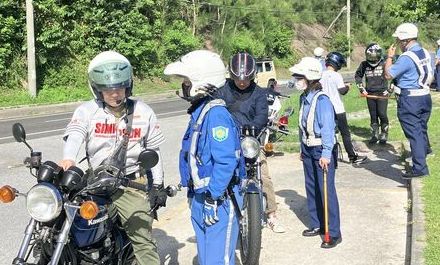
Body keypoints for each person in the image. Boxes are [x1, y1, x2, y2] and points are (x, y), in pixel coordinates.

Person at [59, 51, 166, 264]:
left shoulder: (143, 112)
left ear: (128, 86)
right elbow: (76, 134)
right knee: (72, 227)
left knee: (142, 239)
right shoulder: (87, 111)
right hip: (96, 182)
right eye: (108, 90)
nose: (115, 94)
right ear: (97, 89)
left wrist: (158, 186)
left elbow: (154, 152)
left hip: (130, 183)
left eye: (120, 88)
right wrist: (68, 159)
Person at [164, 50, 244, 265]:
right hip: (202, 196)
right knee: (207, 259)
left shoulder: (216, 115)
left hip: (219, 200)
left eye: (187, 81)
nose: (185, 85)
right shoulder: (201, 111)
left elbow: (226, 160)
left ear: (202, 81)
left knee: (219, 260)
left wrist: (214, 196)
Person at [215, 51, 285, 233]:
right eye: (238, 78)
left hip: (250, 141)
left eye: (245, 78)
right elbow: (215, 108)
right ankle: (217, 208)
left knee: (264, 176)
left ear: (252, 75)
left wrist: (252, 127)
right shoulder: (223, 90)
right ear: (232, 74)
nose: (242, 82)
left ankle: (272, 214)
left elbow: (262, 114)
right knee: (218, 172)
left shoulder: (259, 93)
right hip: (227, 141)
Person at [290, 57, 341, 248]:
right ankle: (317, 223)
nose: (296, 79)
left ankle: (333, 232)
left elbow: (327, 129)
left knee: (325, 190)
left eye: (299, 76)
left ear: (310, 78)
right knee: (311, 187)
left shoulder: (322, 101)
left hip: (321, 148)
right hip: (308, 147)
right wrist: (301, 148)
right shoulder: (304, 97)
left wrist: (326, 154)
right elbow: (302, 125)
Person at [384, 23, 434, 179]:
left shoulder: (407, 58)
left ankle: (420, 168)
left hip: (410, 99)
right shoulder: (425, 52)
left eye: (399, 40)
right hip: (425, 95)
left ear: (404, 40)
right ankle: (425, 150)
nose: (398, 44)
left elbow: (388, 74)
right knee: (421, 127)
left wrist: (390, 57)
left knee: (414, 133)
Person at [320, 51, 367, 164]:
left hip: (325, 108)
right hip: (338, 108)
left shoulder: (321, 74)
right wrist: (348, 87)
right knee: (345, 133)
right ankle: (352, 156)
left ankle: (329, 155)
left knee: (329, 132)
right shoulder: (336, 75)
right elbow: (342, 91)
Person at [355, 43, 390, 144]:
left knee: (382, 114)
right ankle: (374, 134)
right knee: (373, 115)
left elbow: (394, 76)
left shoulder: (384, 63)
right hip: (370, 93)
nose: (373, 60)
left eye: (375, 57)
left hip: (382, 93)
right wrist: (362, 89)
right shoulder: (364, 64)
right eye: (370, 57)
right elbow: (358, 76)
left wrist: (389, 90)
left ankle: (384, 133)